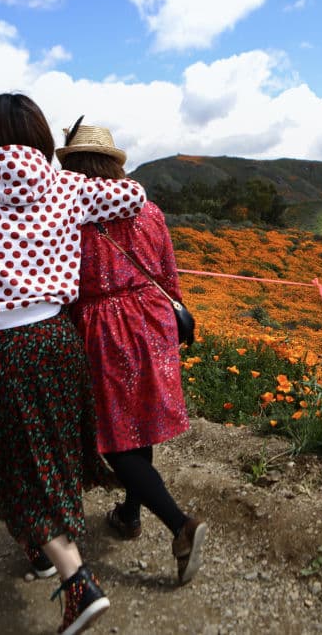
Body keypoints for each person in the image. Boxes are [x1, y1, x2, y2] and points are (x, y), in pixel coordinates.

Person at [0, 93, 146, 635]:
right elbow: (133, 196)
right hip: (58, 339)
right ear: (44, 137)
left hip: (1, 348)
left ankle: (76, 581)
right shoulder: (66, 185)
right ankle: (41, 550)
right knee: (53, 449)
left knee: (19, 458)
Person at [57, 120, 208, 585]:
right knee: (139, 420)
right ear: (112, 163)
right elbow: (168, 275)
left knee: (112, 436)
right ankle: (129, 513)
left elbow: (64, 288)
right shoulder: (150, 211)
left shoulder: (70, 217)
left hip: (104, 326)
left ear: (74, 166)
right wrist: (172, 317)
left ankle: (180, 525)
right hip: (153, 317)